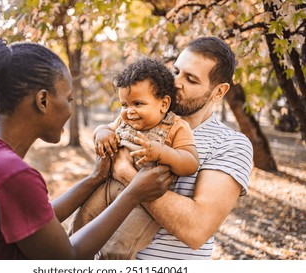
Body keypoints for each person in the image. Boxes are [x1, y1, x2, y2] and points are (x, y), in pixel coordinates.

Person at [0, 38, 174, 260]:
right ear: (43, 100)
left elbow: (37, 219)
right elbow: (67, 257)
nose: (71, 109)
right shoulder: (11, 176)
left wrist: (94, 179)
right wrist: (132, 194)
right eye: (69, 99)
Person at [93, 36, 254, 259]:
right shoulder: (144, 115)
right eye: (176, 71)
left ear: (218, 91)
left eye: (191, 79)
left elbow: (196, 229)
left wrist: (126, 174)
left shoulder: (230, 144)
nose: (177, 82)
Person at [69, 57, 199, 259]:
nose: (129, 111)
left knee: (118, 248)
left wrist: (164, 153)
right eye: (124, 104)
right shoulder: (122, 120)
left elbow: (190, 162)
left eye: (138, 103)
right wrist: (102, 133)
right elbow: (103, 128)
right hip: (108, 187)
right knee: (81, 222)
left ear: (163, 104)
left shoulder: (177, 127)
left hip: (145, 203)